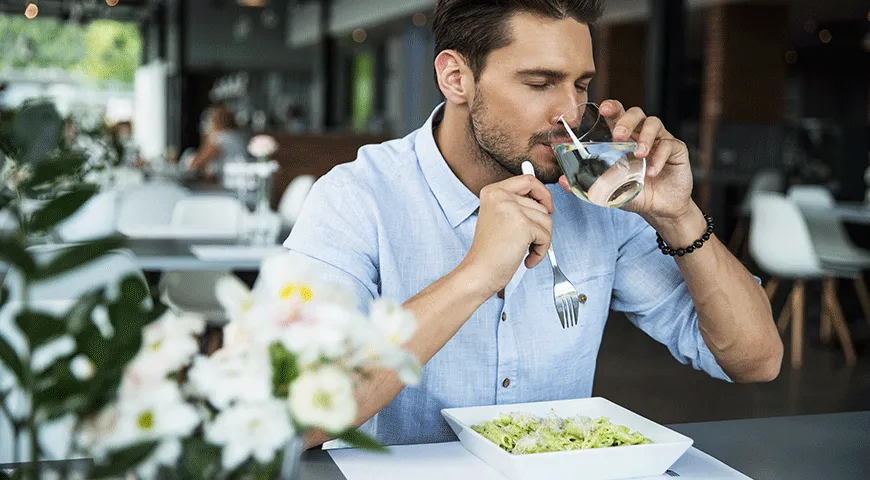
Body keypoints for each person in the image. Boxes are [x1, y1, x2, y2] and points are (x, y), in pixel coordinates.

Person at [285, 0, 782, 448]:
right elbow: (295, 416)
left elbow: (755, 360)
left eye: (581, 85)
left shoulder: (595, 195)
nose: (569, 112)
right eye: (540, 83)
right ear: (456, 77)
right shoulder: (356, 197)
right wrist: (475, 276)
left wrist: (678, 214)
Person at [188, 103, 248, 181]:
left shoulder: (219, 138)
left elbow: (196, 163)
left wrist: (206, 138)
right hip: (239, 181)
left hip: (230, 184)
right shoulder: (236, 136)